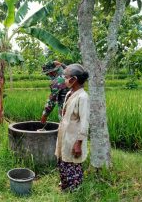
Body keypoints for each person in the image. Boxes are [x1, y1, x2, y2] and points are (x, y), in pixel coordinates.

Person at [55, 63, 90, 191]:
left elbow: (85, 122)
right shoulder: (70, 92)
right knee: (63, 161)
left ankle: (74, 191)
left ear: (74, 79)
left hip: (74, 138)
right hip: (65, 135)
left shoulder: (83, 97)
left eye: (66, 76)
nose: (64, 79)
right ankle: (65, 186)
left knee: (73, 164)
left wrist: (78, 143)